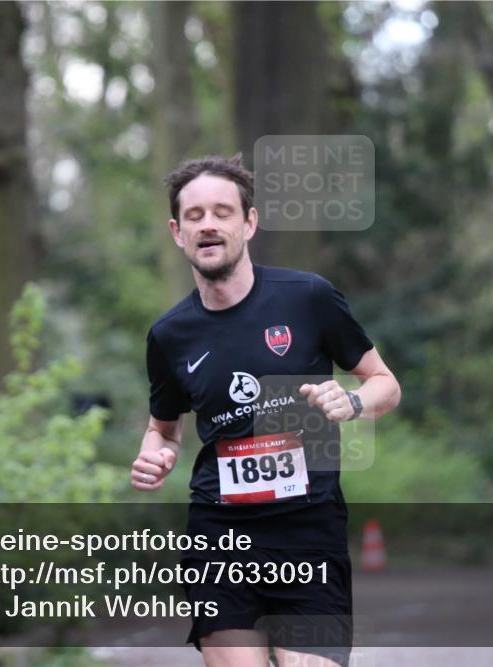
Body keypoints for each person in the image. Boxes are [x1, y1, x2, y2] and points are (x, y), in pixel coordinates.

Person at [132, 154, 401, 667]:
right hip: (220, 534)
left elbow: (386, 384)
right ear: (176, 232)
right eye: (194, 216)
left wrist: (351, 401)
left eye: (222, 212)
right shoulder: (170, 335)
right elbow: (162, 431)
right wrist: (155, 454)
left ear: (249, 222)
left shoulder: (308, 297)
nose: (208, 224)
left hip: (308, 531)